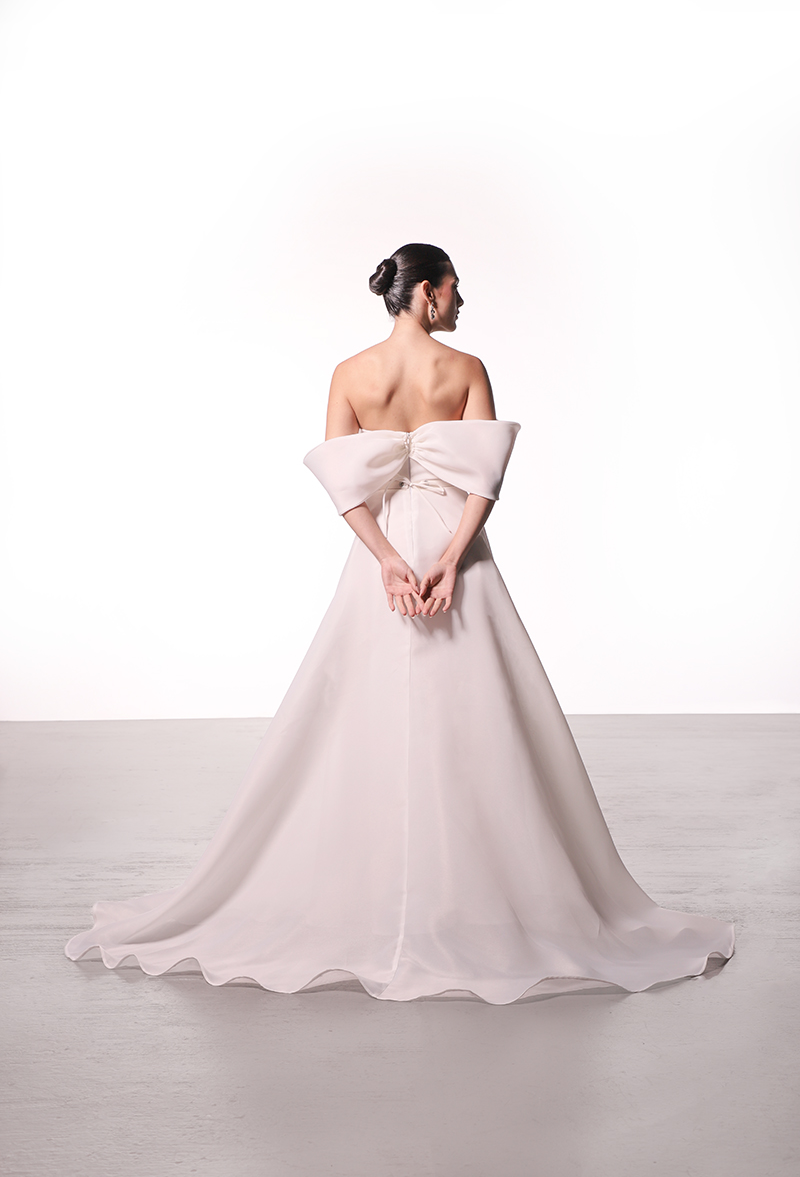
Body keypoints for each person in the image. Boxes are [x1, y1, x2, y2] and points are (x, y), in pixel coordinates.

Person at [65, 243, 735, 1003]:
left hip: (381, 554)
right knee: (482, 715)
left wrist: (388, 558)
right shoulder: (466, 369)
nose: (461, 302)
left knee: (360, 711)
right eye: (454, 288)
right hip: (455, 551)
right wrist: (449, 558)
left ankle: (375, 887)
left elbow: (344, 488)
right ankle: (490, 894)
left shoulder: (350, 374)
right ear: (426, 294)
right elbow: (484, 483)